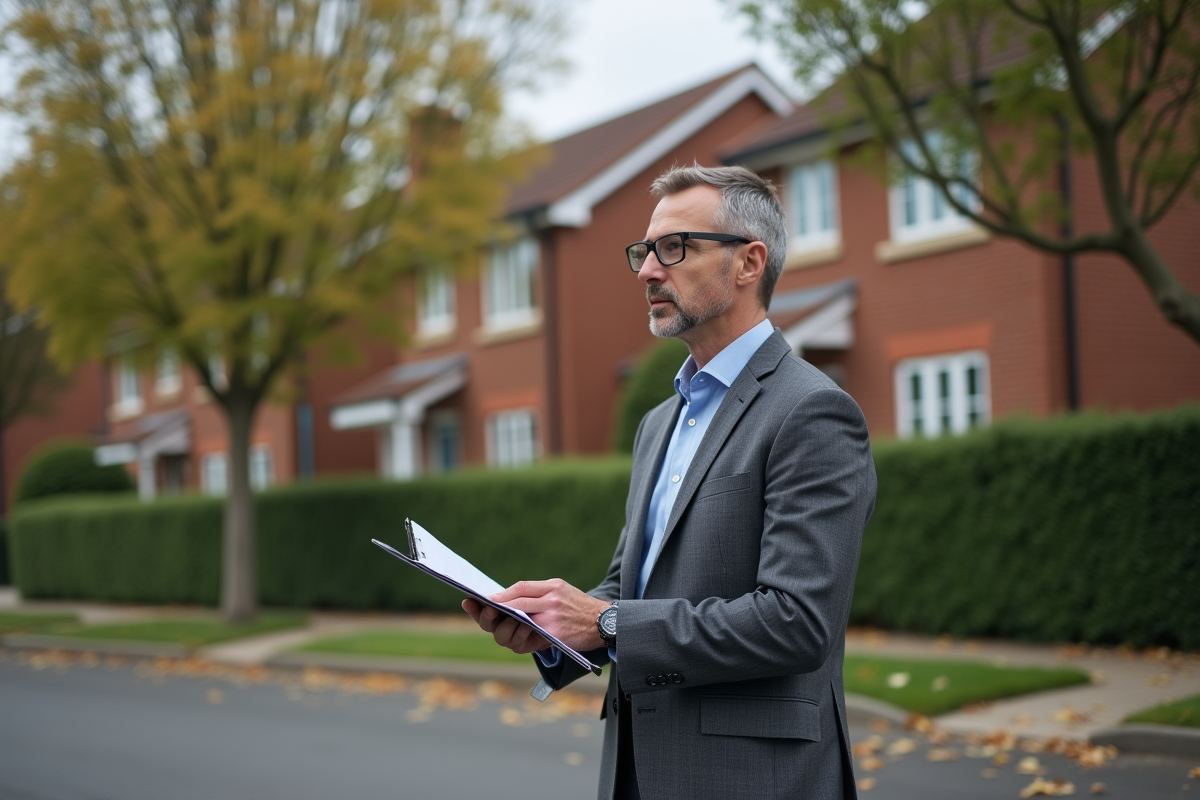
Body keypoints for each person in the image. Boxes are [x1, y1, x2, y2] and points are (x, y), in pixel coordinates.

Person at [463, 164, 877, 800]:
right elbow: (632, 586)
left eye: (674, 248)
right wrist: (553, 627)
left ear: (749, 263)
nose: (648, 270)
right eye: (644, 251)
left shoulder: (812, 412)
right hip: (636, 769)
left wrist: (606, 623)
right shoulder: (660, 421)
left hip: (754, 781)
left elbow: (797, 621)